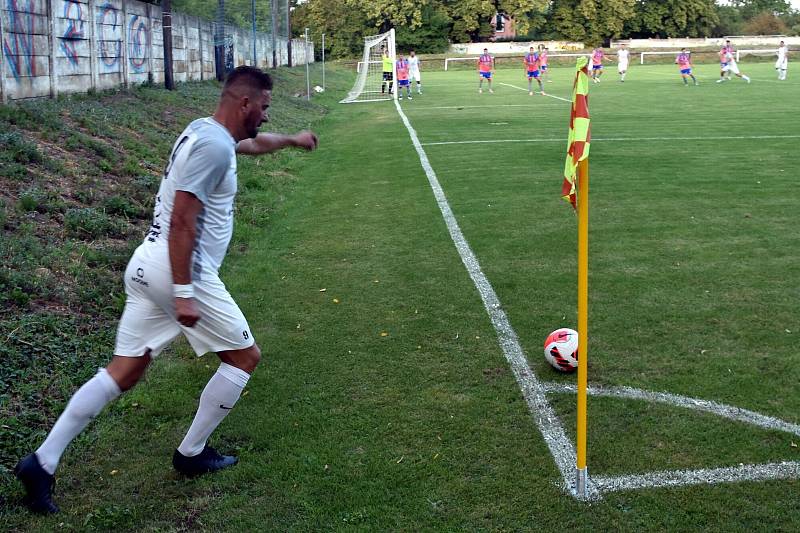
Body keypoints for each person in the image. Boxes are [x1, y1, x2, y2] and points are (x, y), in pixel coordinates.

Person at [13, 66, 319, 514]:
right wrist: (183, 291)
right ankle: (191, 454)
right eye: (266, 108)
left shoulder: (206, 132)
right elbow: (182, 219)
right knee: (244, 357)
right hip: (180, 269)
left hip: (146, 263)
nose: (267, 118)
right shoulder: (214, 146)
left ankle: (41, 462)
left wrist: (291, 140)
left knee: (125, 370)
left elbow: (250, 146)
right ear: (245, 103)